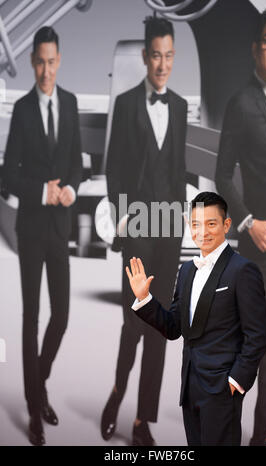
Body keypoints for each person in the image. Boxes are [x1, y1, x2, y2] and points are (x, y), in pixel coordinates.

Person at [125, 191, 266, 446]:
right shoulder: (187, 271)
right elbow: (174, 328)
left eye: (211, 223)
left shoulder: (243, 270)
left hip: (222, 390)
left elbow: (258, 335)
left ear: (226, 225)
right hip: (190, 388)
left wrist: (235, 381)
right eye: (195, 224)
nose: (202, 231)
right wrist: (145, 299)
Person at [103, 16, 187, 446]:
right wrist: (121, 217)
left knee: (158, 328)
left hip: (168, 237)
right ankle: (118, 391)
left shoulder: (179, 107)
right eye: (156, 55)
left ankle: (142, 421)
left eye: (169, 56)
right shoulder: (128, 104)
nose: (162, 64)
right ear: (144, 57)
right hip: (136, 231)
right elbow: (114, 168)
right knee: (132, 323)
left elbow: (176, 174)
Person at [215, 7, 266, 446]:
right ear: (254, 48)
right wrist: (247, 221)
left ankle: (261, 435)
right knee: (248, 346)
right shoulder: (239, 102)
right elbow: (223, 174)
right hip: (255, 246)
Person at [3, 26, 82, 446]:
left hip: (59, 228)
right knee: (31, 318)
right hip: (32, 229)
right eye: (39, 62)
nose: (46, 70)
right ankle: (35, 410)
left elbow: (77, 165)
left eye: (52, 62)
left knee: (63, 314)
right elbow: (7, 174)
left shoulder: (68, 104)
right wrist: (40, 190)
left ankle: (38, 384)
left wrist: (68, 188)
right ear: (32, 62)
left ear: (59, 60)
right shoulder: (21, 110)